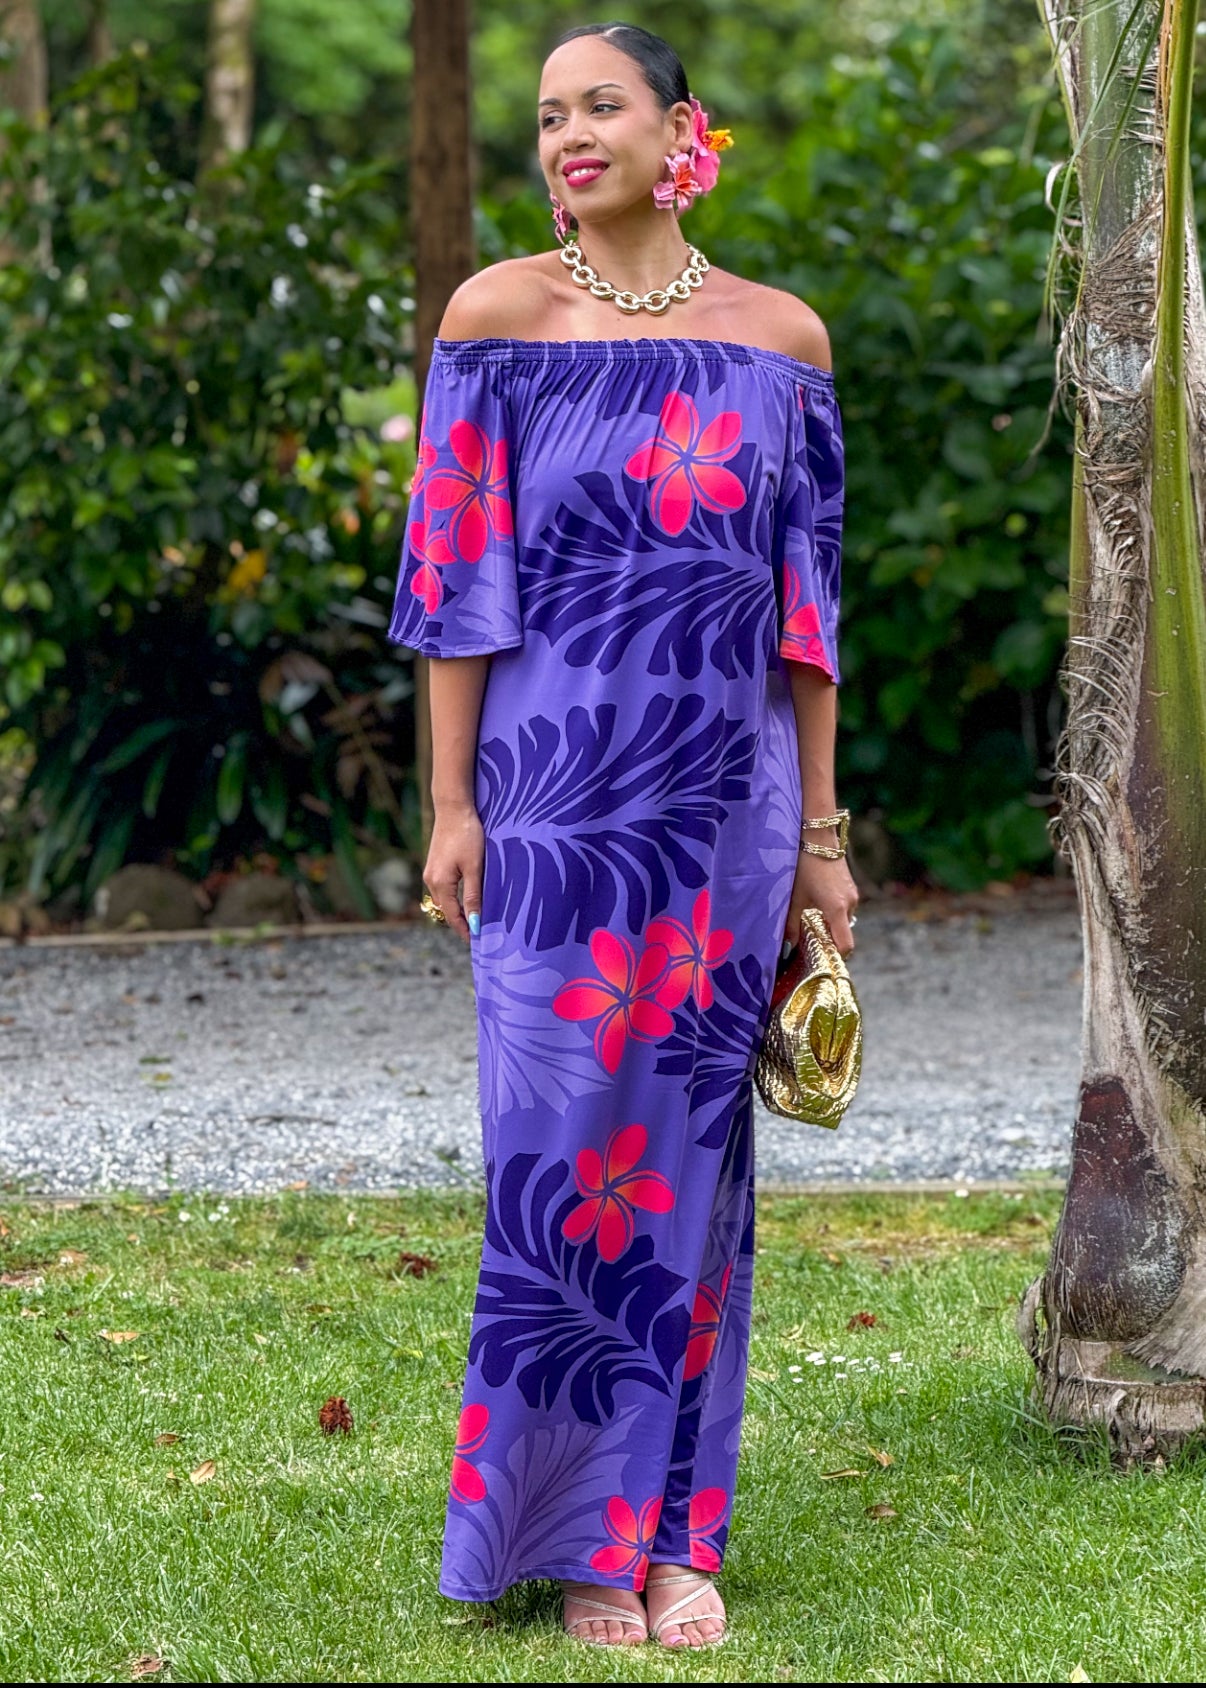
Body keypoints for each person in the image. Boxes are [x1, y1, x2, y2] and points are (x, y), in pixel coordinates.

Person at [388, 19, 858, 1651]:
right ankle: (576, 1541)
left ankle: (672, 1537)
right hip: (549, 810)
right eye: (546, 116)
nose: (568, 135)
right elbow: (453, 582)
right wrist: (451, 804)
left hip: (728, 816)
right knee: (558, 1163)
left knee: (694, 1173)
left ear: (681, 132)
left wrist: (819, 836)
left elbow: (807, 618)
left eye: (601, 106)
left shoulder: (781, 341)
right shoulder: (496, 318)